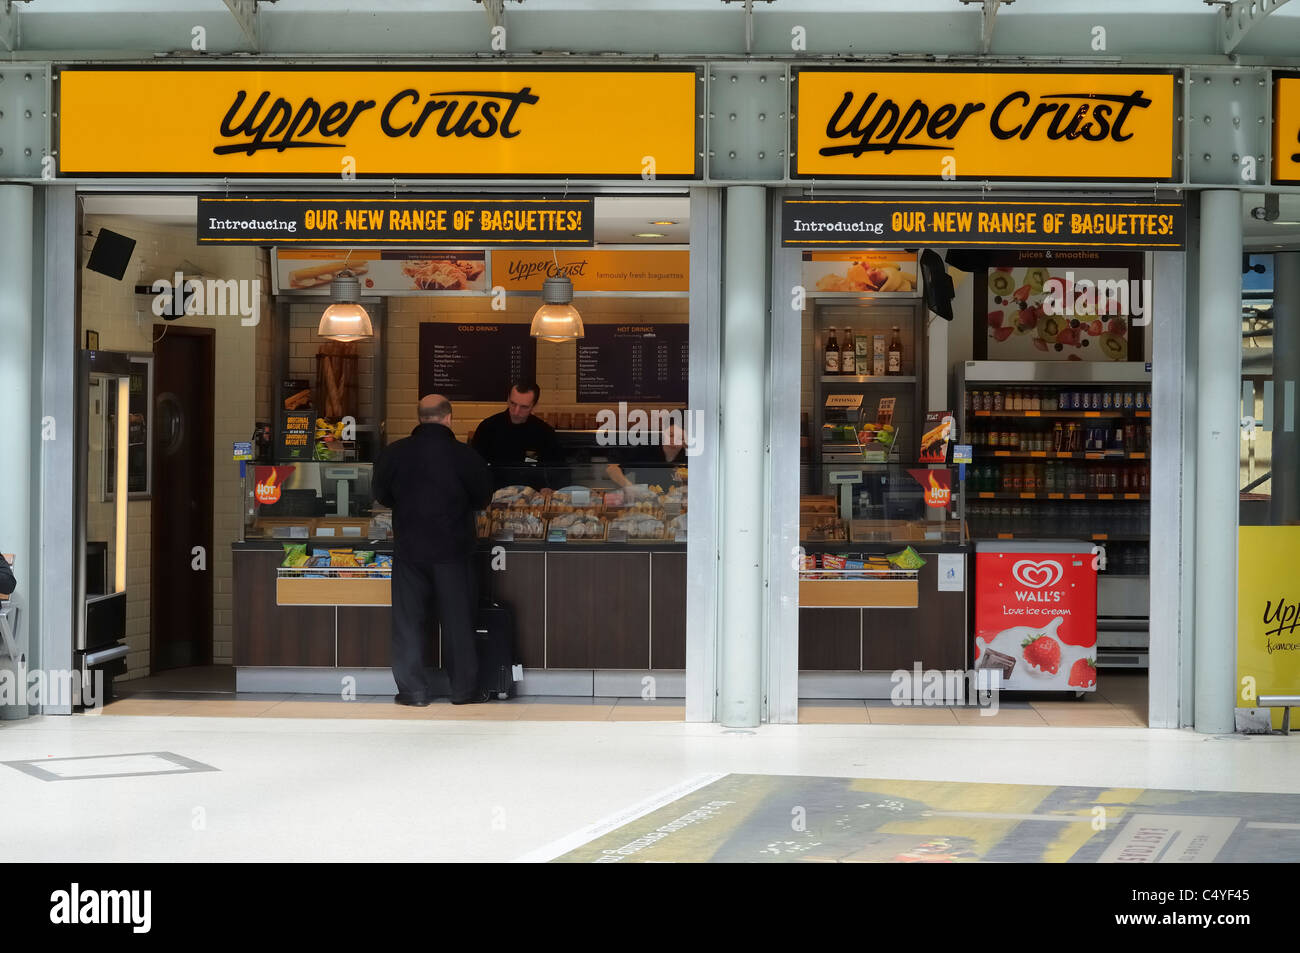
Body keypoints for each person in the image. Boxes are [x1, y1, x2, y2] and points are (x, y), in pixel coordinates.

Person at [373, 395, 494, 706]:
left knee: (407, 622)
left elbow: (381, 496)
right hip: (453, 550)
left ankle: (413, 692)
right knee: (458, 622)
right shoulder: (465, 456)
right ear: (448, 418)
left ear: (420, 417)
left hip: (409, 549)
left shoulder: (394, 454)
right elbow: (483, 498)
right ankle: (464, 691)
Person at [471, 382, 566, 488]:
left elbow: (559, 470)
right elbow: (474, 467)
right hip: (493, 494)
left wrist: (549, 488)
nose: (516, 412)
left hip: (531, 496)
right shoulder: (488, 427)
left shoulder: (544, 432)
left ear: (534, 406)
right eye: (513, 403)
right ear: (507, 399)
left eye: (524, 407)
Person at [605, 422, 689, 489]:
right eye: (671, 435)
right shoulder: (645, 450)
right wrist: (629, 487)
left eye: (680, 438)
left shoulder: (687, 457)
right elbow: (612, 469)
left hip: (676, 505)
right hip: (645, 505)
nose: (674, 441)